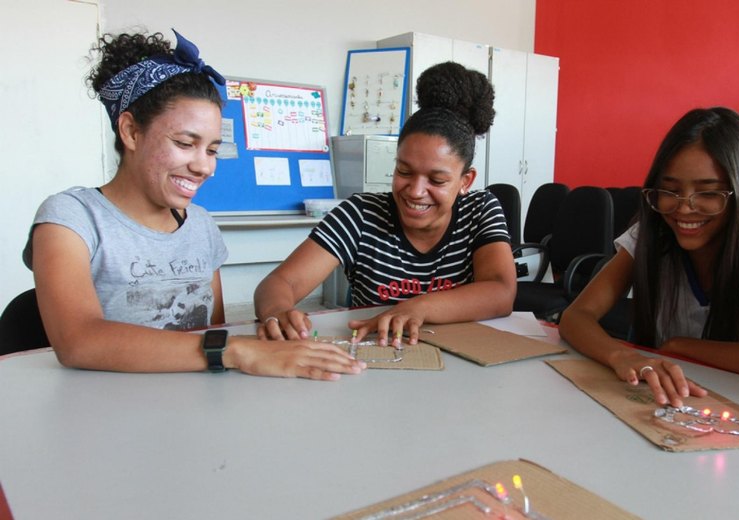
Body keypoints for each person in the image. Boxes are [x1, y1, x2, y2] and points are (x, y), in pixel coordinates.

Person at [23, 29, 364, 380]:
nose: (205, 166)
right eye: (186, 143)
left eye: (213, 149)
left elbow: (212, 330)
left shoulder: (200, 223)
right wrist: (238, 350)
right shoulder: (69, 218)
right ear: (130, 132)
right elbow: (78, 341)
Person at [559, 107, 739, 406]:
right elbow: (575, 317)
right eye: (670, 190)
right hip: (675, 401)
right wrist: (622, 355)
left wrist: (680, 347)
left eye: (709, 194)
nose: (684, 209)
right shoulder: (653, 231)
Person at [255, 62, 517, 347]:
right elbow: (279, 283)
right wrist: (277, 311)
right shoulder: (361, 215)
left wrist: (417, 307)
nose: (416, 191)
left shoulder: (479, 209)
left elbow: (501, 292)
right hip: (375, 361)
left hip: (460, 359)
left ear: (466, 180)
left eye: (437, 180)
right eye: (404, 171)